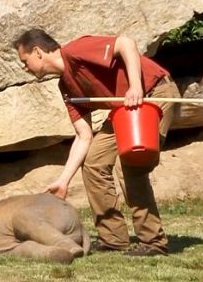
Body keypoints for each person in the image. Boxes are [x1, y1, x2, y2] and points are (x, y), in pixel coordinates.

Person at [14, 28, 181, 256]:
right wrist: (63, 181)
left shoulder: (75, 51)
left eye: (25, 61)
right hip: (125, 109)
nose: (25, 67)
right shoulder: (66, 88)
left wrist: (135, 86)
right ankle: (113, 239)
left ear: (38, 52)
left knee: (132, 162)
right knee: (93, 162)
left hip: (154, 93)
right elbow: (84, 137)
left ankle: (153, 242)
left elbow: (126, 43)